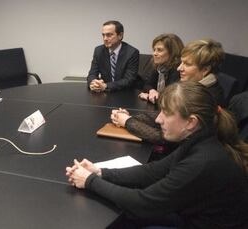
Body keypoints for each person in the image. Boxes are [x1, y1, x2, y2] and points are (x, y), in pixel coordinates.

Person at [66, 81, 248, 228]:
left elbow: (142, 204)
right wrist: (100, 172)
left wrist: (89, 181)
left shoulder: (203, 161)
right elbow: (153, 171)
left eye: (166, 113)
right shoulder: (199, 140)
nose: (159, 118)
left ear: (191, 122)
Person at [111, 38, 224, 159]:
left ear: (205, 70)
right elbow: (160, 116)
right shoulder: (194, 87)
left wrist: (128, 122)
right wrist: (129, 117)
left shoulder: (206, 97)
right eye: (181, 62)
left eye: (187, 64)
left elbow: (165, 138)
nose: (179, 68)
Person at [87, 20, 139, 92]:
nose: (105, 38)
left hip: (124, 94)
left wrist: (106, 86)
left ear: (120, 35)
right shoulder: (98, 51)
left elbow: (129, 80)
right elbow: (92, 73)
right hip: (104, 94)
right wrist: (93, 83)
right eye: (103, 35)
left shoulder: (132, 53)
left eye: (109, 35)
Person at [138, 33, 184, 104]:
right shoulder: (160, 67)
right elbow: (147, 85)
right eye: (154, 50)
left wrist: (149, 97)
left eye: (159, 50)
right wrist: (152, 91)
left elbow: (170, 98)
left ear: (172, 52)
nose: (154, 54)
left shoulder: (178, 70)